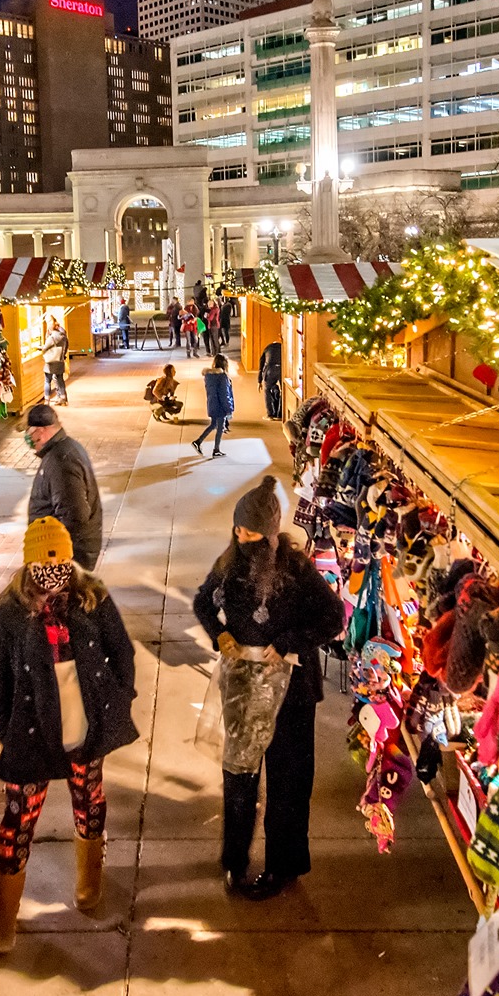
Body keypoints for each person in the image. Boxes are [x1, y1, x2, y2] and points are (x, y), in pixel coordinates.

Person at [0, 516, 138, 951]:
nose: (55, 572)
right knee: (18, 820)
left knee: (90, 802)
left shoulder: (93, 598)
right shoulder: (7, 613)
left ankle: (89, 884)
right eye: (46, 563)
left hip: (84, 730)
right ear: (29, 563)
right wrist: (0, 723)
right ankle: (4, 918)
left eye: (62, 561)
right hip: (31, 734)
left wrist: (121, 697)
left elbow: (120, 649)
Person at [192, 476, 345, 898]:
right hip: (244, 689)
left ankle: (284, 866)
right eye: (238, 529)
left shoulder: (297, 571)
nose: (242, 538)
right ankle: (235, 860)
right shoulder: (229, 564)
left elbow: (334, 617)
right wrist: (217, 635)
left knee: (288, 781)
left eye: (251, 532)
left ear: (271, 534)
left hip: (292, 694)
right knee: (239, 775)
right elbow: (204, 601)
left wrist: (288, 642)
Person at [26, 401, 103, 567]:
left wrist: (56, 557)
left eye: (30, 435)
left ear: (41, 431)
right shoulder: (63, 449)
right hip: (65, 551)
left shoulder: (60, 461)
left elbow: (74, 514)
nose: (29, 441)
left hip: (67, 555)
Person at [193, 353, 234, 458]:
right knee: (220, 427)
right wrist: (229, 409)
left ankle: (198, 442)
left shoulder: (209, 376)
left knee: (213, 425)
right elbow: (225, 394)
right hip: (220, 406)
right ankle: (216, 449)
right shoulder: (222, 377)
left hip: (212, 404)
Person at [42, 319, 69, 405]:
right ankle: (63, 398)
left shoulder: (52, 338)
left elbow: (45, 348)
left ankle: (47, 400)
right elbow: (66, 347)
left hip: (51, 362)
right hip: (60, 360)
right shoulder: (63, 337)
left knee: (47, 380)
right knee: (60, 380)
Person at [259, 340, 284, 421]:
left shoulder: (267, 348)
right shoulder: (283, 347)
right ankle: (280, 414)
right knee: (283, 391)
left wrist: (259, 381)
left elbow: (261, 365)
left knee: (267, 390)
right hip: (281, 368)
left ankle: (270, 414)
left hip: (269, 369)